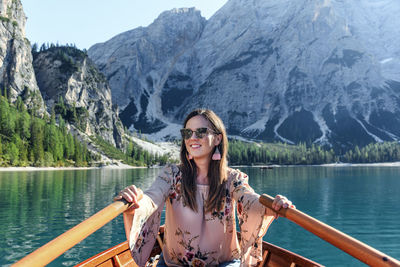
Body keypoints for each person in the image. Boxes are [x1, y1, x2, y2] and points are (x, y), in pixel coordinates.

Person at [115, 109, 294, 267]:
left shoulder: (232, 178)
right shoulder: (171, 174)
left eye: (200, 132)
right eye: (187, 132)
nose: (192, 137)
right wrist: (136, 203)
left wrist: (272, 206)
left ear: (218, 138)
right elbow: (151, 198)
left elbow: (251, 201)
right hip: (173, 265)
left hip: (224, 264)